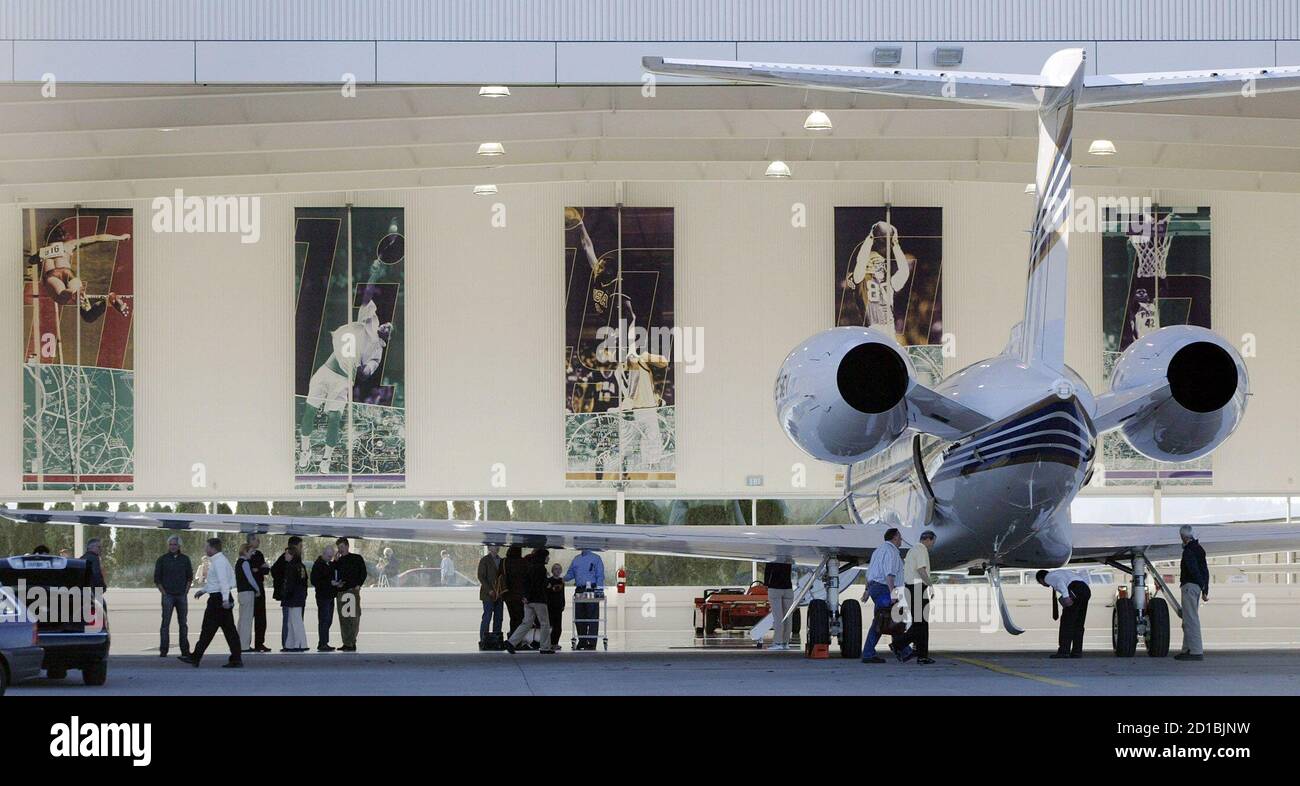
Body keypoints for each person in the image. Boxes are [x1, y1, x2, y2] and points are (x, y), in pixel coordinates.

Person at [180, 538, 242, 668]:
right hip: (219, 597)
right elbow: (215, 582)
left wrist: (225, 599)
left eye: (206, 546)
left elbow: (223, 582)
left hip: (218, 600)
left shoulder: (219, 562)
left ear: (213, 548)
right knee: (229, 631)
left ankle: (196, 657)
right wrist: (203, 591)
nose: (205, 549)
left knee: (208, 629)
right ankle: (236, 658)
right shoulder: (219, 560)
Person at [862, 528, 913, 664]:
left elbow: (870, 573)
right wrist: (893, 594)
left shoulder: (878, 551)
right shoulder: (891, 552)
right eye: (900, 537)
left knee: (889, 619)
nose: (901, 540)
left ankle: (903, 650)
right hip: (885, 588)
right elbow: (889, 574)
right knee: (882, 621)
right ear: (895, 537)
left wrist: (867, 591)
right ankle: (868, 653)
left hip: (875, 588)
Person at [504, 549, 555, 654]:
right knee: (545, 623)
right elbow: (540, 585)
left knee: (526, 623)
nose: (548, 558)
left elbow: (526, 583)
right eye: (547, 556)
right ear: (542, 557)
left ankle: (511, 642)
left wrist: (525, 596)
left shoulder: (530, 567)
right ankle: (545, 647)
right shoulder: (541, 569)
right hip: (539, 600)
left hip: (528, 601)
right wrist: (548, 584)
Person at [1037, 568, 1092, 659]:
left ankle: (1064, 651)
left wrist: (1066, 597)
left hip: (1075, 589)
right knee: (1079, 623)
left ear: (1041, 579)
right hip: (1085, 590)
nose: (1043, 584)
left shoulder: (1048, 577)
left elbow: (1059, 582)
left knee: (1067, 623)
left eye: (1041, 583)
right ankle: (1077, 652)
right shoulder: (1061, 573)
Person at [154, 535, 194, 658]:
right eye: (171, 544)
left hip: (181, 595)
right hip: (168, 596)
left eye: (175, 544)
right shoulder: (162, 559)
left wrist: (186, 591)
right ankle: (164, 649)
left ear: (179, 546)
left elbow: (189, 577)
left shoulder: (185, 559)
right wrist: (164, 592)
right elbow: (157, 578)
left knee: (183, 623)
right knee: (165, 623)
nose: (172, 547)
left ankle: (185, 650)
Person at [902, 530, 937, 665]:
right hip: (917, 588)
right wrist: (930, 585)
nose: (932, 545)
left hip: (910, 588)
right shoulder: (922, 550)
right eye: (933, 541)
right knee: (921, 624)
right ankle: (899, 644)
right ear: (927, 539)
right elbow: (921, 570)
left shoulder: (912, 550)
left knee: (920, 624)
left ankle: (922, 655)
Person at [1176, 525, 1209, 661]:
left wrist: (1200, 584)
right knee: (1188, 619)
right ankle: (1187, 649)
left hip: (1190, 586)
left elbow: (1193, 569)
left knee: (1190, 619)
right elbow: (1205, 571)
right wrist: (1205, 589)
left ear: (1183, 537)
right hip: (1196, 587)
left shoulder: (1189, 551)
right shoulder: (1199, 549)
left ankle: (1195, 651)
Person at [564, 548, 605, 650]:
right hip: (579, 590)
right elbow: (571, 574)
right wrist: (560, 578)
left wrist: (599, 591)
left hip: (591, 589)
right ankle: (582, 641)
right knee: (579, 617)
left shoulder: (596, 558)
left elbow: (600, 576)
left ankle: (591, 642)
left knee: (592, 617)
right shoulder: (576, 559)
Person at [334, 537, 367, 652]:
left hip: (352, 591)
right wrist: (335, 561)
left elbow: (363, 572)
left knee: (353, 618)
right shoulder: (339, 561)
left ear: (347, 546)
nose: (340, 550)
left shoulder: (356, 558)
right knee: (343, 619)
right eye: (339, 548)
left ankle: (352, 641)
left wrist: (359, 584)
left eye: (342, 547)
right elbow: (334, 574)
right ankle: (346, 642)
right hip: (342, 592)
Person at [270, 536, 304, 648]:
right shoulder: (288, 562)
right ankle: (288, 643)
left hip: (292, 596)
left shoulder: (295, 562)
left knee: (292, 620)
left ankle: (292, 643)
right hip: (290, 597)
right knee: (289, 620)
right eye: (300, 546)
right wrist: (283, 587)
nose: (302, 549)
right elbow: (275, 571)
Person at [280, 543, 309, 652]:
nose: (285, 556)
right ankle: (292, 644)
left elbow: (290, 584)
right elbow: (303, 582)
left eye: (287, 554)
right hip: (298, 597)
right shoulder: (300, 566)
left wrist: (285, 594)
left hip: (292, 598)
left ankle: (299, 644)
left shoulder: (291, 567)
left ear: (292, 555)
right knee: (294, 621)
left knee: (295, 622)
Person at [476, 545, 505, 650]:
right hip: (488, 594)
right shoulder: (485, 560)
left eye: (498, 546)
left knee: (499, 617)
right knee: (487, 617)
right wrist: (489, 590)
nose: (497, 548)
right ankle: (484, 640)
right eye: (494, 546)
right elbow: (481, 576)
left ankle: (495, 640)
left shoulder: (501, 561)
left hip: (499, 594)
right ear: (489, 548)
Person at [246, 535, 271, 652]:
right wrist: (259, 568)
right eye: (256, 539)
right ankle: (245, 643)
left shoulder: (259, 554)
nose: (258, 541)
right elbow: (249, 570)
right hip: (250, 589)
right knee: (248, 617)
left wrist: (258, 569)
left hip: (260, 588)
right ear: (250, 541)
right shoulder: (246, 554)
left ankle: (259, 643)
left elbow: (266, 570)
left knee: (261, 617)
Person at [311, 544, 338, 652]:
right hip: (323, 597)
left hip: (330, 596)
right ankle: (323, 643)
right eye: (328, 556)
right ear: (323, 554)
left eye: (331, 556)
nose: (330, 558)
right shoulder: (318, 565)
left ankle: (323, 642)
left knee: (328, 620)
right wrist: (329, 582)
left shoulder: (329, 564)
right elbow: (314, 581)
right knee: (324, 620)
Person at [763, 560, 795, 651]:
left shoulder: (772, 557)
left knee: (778, 617)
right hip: (788, 589)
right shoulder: (788, 557)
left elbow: (768, 571)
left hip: (775, 588)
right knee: (788, 617)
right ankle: (785, 642)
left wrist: (766, 584)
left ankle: (777, 642)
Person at [235, 543, 260, 652]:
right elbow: (250, 578)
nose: (252, 554)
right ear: (245, 551)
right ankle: (245, 645)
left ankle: (239, 643)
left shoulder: (238, 563)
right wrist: (257, 589)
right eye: (250, 551)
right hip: (247, 593)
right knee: (247, 620)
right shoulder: (245, 563)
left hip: (241, 593)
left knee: (242, 619)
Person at [501, 545, 529, 637]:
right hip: (520, 595)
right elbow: (526, 578)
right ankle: (517, 640)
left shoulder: (504, 561)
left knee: (512, 617)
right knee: (520, 618)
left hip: (508, 594)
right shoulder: (523, 562)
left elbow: (500, 576)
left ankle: (512, 637)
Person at [546, 562, 567, 650]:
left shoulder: (562, 581)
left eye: (559, 569)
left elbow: (562, 594)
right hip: (550, 606)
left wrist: (563, 604)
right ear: (552, 571)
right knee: (550, 625)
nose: (557, 570)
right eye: (555, 569)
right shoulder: (549, 581)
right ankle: (549, 643)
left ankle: (555, 643)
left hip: (558, 606)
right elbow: (549, 592)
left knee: (558, 626)